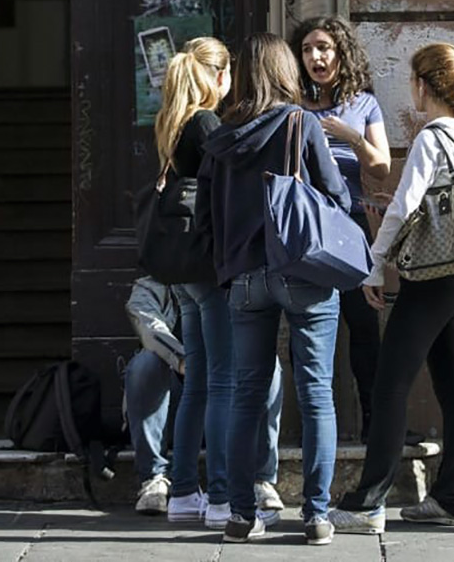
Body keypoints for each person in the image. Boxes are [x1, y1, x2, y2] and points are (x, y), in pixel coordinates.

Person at [328, 43, 454, 533]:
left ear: (423, 85)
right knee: (452, 387)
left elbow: (406, 207)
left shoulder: (431, 137)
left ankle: (367, 503)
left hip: (429, 280)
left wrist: (375, 266)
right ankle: (452, 498)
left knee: (389, 386)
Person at [197, 32, 349, 546]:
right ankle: (317, 516)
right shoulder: (300, 123)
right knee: (315, 393)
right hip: (302, 270)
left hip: (244, 279)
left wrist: (228, 267)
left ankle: (241, 515)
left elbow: (203, 221)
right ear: (287, 72)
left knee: (246, 396)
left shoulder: (219, 139)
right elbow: (336, 195)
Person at [149, 37, 285, 529]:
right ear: (221, 77)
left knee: (199, 382)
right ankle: (225, 497)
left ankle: (184, 490)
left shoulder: (172, 121)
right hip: (207, 270)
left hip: (182, 272)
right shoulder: (206, 123)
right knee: (224, 379)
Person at [290, 16, 393, 443]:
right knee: (310, 325)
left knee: (362, 325)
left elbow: (382, 169)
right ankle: (314, 429)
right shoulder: (294, 104)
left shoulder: (363, 104)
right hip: (306, 225)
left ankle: (374, 423)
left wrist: (350, 135)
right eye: (309, 49)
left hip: (349, 226)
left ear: (341, 53)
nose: (316, 56)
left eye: (325, 48)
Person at [123, 276, 184, 515]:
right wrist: (183, 361)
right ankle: (154, 479)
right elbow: (150, 329)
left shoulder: (226, 284)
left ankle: (259, 480)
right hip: (169, 405)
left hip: (216, 404)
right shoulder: (149, 287)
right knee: (145, 363)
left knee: (267, 365)